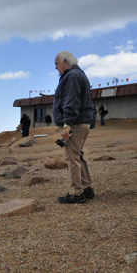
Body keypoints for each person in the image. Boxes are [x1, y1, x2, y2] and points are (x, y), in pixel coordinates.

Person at [53, 50, 95, 204]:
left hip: (75, 124)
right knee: (78, 155)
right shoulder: (79, 74)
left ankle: (77, 193)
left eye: (57, 64)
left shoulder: (71, 76)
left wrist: (66, 125)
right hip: (81, 122)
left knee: (71, 158)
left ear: (65, 61)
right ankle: (86, 188)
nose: (56, 67)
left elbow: (71, 102)